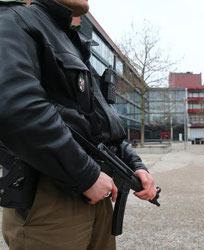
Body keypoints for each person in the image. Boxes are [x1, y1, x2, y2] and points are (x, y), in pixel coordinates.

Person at [0, 0, 157, 249]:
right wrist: (86, 175)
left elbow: (101, 124)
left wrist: (134, 164)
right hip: (51, 198)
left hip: (96, 191)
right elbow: (14, 106)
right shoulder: (15, 19)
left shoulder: (71, 40)